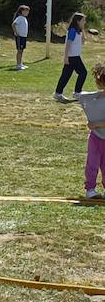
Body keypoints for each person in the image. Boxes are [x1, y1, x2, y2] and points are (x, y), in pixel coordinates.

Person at [77, 61, 105, 198]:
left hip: (98, 133)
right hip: (95, 138)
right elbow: (83, 97)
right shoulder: (97, 97)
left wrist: (96, 124)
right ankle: (90, 190)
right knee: (92, 163)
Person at [56, 12, 90, 102]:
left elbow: (83, 41)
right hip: (72, 57)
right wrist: (65, 57)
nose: (85, 22)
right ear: (78, 21)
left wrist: (82, 30)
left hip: (75, 56)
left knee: (66, 75)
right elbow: (68, 44)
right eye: (83, 20)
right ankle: (77, 93)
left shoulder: (78, 31)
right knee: (83, 73)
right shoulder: (72, 30)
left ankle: (58, 93)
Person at [12, 5, 30, 70]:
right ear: (22, 11)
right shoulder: (19, 18)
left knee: (22, 50)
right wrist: (16, 32)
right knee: (19, 50)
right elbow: (13, 24)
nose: (27, 13)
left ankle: (20, 63)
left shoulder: (24, 18)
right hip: (20, 36)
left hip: (23, 37)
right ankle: (18, 65)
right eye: (26, 11)